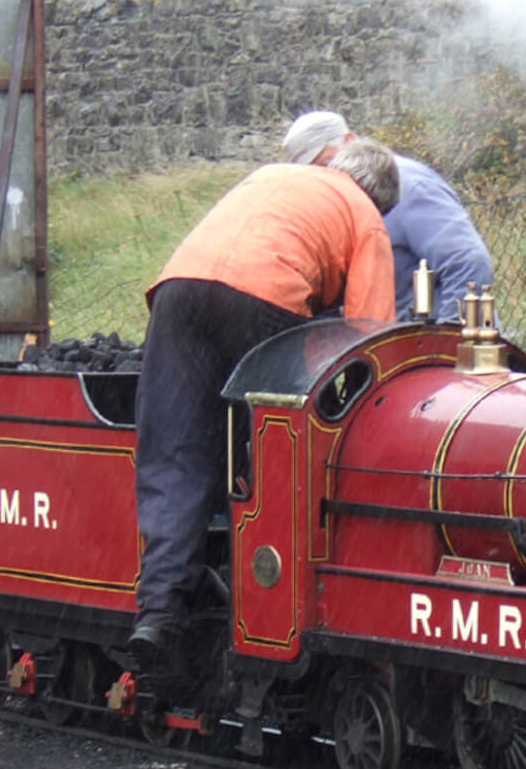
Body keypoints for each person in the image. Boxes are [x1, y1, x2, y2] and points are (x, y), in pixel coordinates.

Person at [129, 135, 402, 695]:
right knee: (273, 454)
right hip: (263, 297)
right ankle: (265, 600)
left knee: (176, 451)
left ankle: (159, 612)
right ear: (379, 197)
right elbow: (370, 337)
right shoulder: (365, 216)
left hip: (179, 290)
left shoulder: (275, 176)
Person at [282, 110, 494, 322]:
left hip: (431, 341)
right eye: (315, 172)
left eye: (325, 164)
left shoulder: (411, 186)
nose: (327, 177)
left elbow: (469, 262)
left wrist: (450, 337)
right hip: (388, 339)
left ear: (349, 141)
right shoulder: (331, 200)